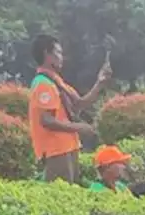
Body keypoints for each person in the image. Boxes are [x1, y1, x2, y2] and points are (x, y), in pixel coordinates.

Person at [29, 34, 111, 183]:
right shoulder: (43, 84)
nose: (62, 57)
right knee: (59, 194)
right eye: (58, 53)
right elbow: (46, 120)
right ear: (47, 54)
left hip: (68, 146)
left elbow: (80, 103)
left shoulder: (57, 82)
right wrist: (78, 127)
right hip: (55, 149)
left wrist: (100, 83)